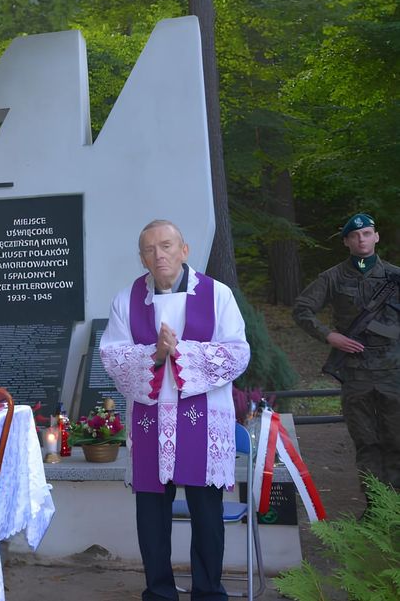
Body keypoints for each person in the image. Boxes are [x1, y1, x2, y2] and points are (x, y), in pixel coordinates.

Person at [99, 219, 250, 601]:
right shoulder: (126, 300)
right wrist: (156, 353)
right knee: (151, 515)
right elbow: (112, 357)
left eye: (166, 246)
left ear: (184, 250)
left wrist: (180, 352)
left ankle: (208, 592)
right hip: (150, 419)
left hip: (203, 418)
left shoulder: (217, 295)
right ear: (141, 257)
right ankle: (160, 592)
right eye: (149, 249)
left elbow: (237, 352)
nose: (158, 254)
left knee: (206, 515)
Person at [293, 212, 400, 495]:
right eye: (354, 235)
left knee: (396, 441)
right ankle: (375, 508)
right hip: (356, 372)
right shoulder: (333, 277)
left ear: (376, 236)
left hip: (393, 372)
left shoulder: (395, 277)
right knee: (366, 442)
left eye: (366, 233)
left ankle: (395, 510)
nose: (361, 239)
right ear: (346, 242)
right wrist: (330, 336)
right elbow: (302, 309)